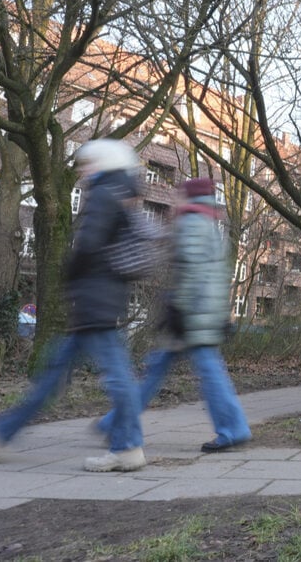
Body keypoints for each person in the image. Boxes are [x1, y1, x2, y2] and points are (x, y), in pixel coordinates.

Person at [0, 138, 146, 472]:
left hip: (95, 302)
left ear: (105, 164)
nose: (83, 171)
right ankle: (1, 432)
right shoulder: (123, 197)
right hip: (102, 301)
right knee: (53, 376)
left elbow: (89, 245)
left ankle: (128, 447)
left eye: (89, 163)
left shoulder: (105, 195)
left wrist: (69, 275)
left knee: (116, 379)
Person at [94, 177, 251, 453]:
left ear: (190, 199)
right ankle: (115, 422)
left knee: (173, 371)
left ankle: (232, 428)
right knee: (174, 368)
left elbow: (191, 271)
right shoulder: (211, 227)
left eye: (180, 195)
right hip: (204, 313)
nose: (175, 200)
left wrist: (179, 310)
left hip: (191, 314)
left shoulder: (191, 225)